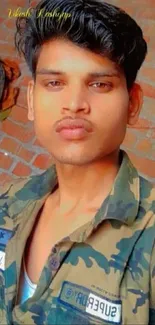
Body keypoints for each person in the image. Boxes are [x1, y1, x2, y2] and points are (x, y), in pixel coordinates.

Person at [0, 0, 154, 323]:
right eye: (54, 83)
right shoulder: (7, 203)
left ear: (133, 104)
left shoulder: (148, 240)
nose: (73, 104)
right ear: (30, 100)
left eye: (99, 84)